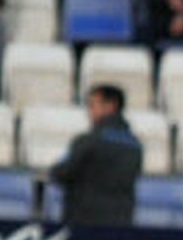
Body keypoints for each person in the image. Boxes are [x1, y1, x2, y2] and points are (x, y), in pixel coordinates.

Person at [47, 85, 142, 227]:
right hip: (120, 223)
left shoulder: (88, 141)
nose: (89, 111)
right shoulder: (135, 145)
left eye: (92, 105)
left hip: (83, 222)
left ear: (110, 105)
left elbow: (60, 172)